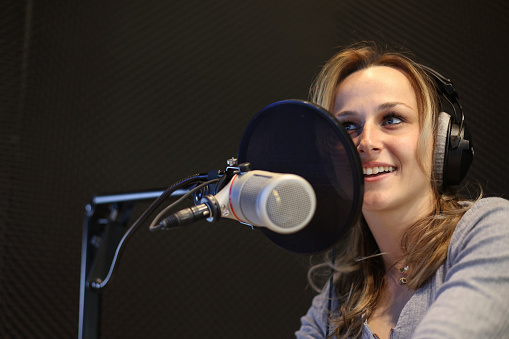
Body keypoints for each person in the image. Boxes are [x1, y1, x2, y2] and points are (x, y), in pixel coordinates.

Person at [295, 43, 509, 338]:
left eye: (391, 119)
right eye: (347, 127)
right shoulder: (333, 303)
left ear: (439, 143)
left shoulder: (492, 228)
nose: (366, 142)